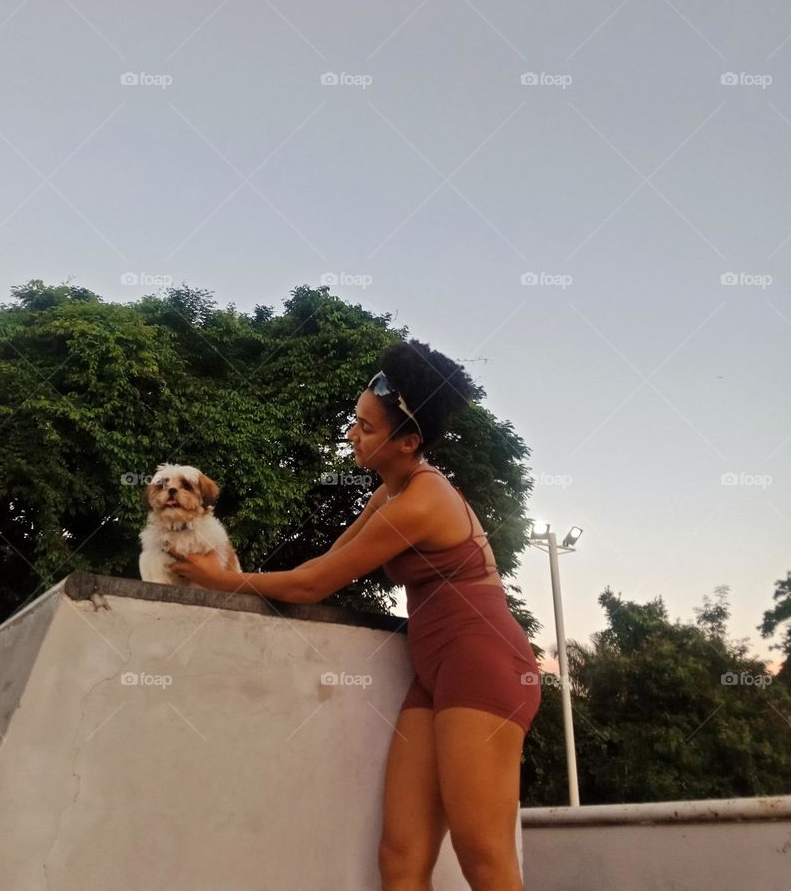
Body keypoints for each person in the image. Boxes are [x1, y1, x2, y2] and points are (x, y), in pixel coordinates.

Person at [166, 339, 541, 890]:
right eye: (354, 421)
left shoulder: (424, 500)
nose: (351, 435)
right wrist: (230, 562)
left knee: (482, 854)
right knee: (400, 856)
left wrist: (220, 581)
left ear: (408, 440)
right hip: (434, 671)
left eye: (366, 428)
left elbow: (316, 585)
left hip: (483, 665)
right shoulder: (389, 494)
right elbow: (326, 561)